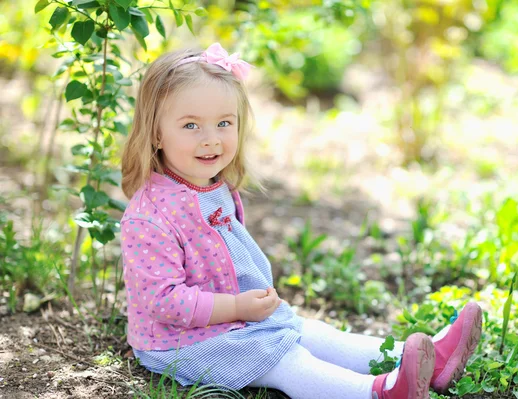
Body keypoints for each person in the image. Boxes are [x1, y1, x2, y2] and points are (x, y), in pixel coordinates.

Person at [119, 43, 483, 399]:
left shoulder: (214, 186)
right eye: (191, 126)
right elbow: (164, 301)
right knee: (283, 358)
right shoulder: (149, 217)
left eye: (224, 123)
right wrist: (236, 308)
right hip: (178, 343)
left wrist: (243, 308)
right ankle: (378, 393)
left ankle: (429, 360)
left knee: (310, 333)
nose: (211, 139)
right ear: (155, 133)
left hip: (231, 320)